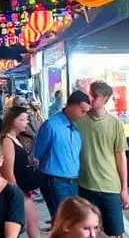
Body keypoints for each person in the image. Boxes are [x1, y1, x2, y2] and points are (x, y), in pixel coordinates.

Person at [77, 81, 129, 238]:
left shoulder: (115, 124)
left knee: (116, 235)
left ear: (105, 98)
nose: (91, 98)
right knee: (87, 234)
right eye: (89, 94)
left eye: (95, 96)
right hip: (85, 185)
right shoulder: (79, 121)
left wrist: (124, 189)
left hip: (110, 186)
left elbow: (121, 156)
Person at [34, 91, 91, 221]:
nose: (84, 115)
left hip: (73, 180)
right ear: (72, 106)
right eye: (82, 111)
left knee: (72, 217)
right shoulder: (51, 126)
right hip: (55, 180)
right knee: (62, 219)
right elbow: (38, 155)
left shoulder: (76, 127)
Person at [0, 107, 45, 238]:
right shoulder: (7, 141)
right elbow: (7, 171)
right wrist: (16, 193)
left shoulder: (16, 138)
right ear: (12, 120)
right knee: (29, 222)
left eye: (26, 119)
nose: (26, 122)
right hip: (16, 189)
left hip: (20, 188)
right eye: (22, 119)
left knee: (32, 222)